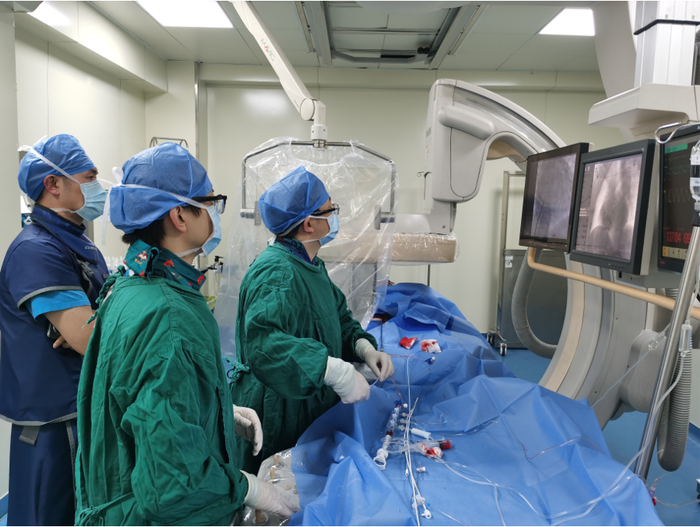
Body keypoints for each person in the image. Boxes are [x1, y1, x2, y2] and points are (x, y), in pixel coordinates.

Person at [74, 143, 297, 525]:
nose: (215, 213)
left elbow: (139, 398)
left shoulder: (130, 285)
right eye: (210, 202)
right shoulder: (169, 316)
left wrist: (212, 409)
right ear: (179, 215)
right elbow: (174, 482)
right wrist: (249, 488)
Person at [231, 166, 395, 473]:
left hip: (306, 400)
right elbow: (265, 347)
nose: (334, 217)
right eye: (330, 210)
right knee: (280, 488)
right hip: (280, 407)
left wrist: (364, 349)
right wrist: (334, 371)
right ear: (309, 224)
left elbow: (337, 318)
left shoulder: (309, 265)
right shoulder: (277, 272)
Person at [0, 134, 109, 525]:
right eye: (89, 177)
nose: (98, 187)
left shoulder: (77, 244)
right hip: (54, 422)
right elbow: (87, 337)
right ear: (53, 184)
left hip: (81, 407)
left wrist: (95, 318)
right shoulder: (36, 250)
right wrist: (91, 323)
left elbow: (94, 323)